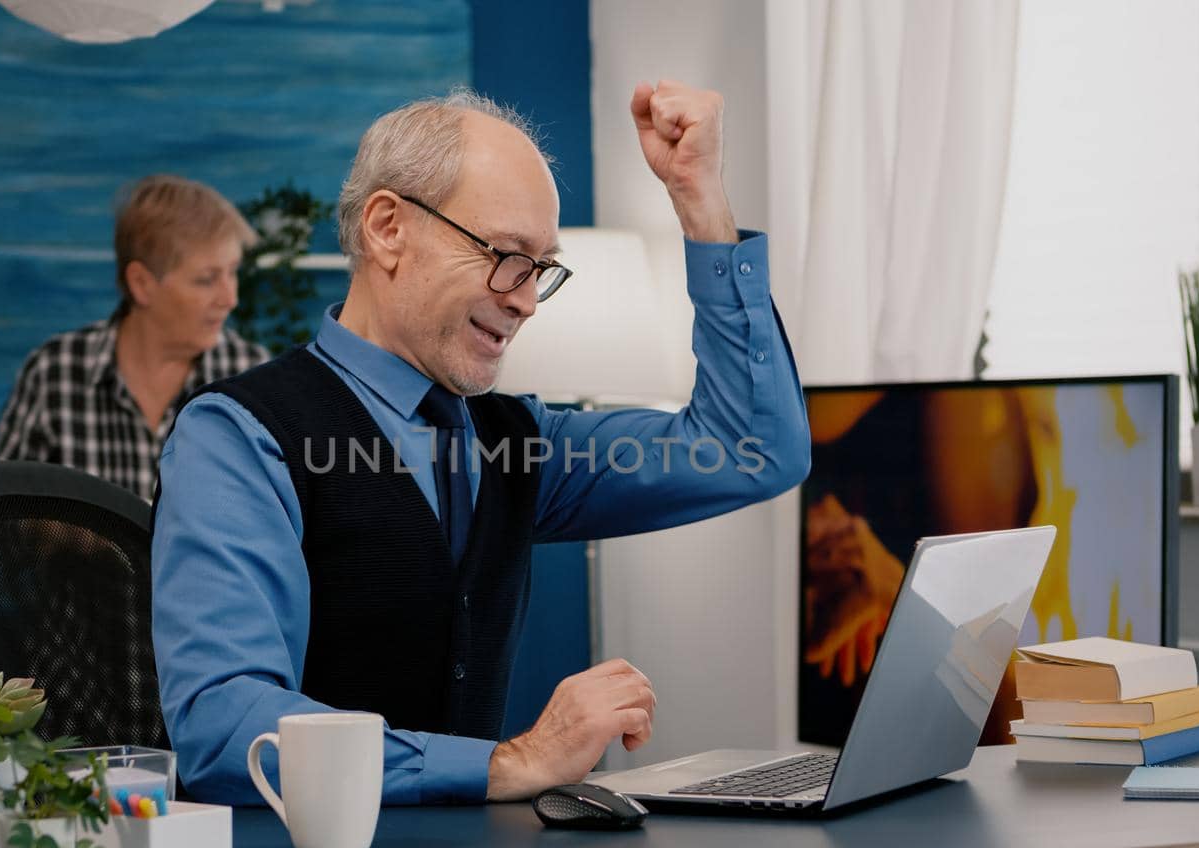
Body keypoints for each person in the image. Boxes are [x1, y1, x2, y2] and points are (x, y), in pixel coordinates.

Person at [152, 81, 811, 806]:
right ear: (387, 228)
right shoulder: (240, 438)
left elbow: (752, 449)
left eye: (540, 268)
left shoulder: (518, 446)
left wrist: (700, 201)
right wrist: (511, 763)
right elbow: (224, 730)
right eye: (506, 254)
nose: (526, 299)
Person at [0, 174, 271, 500]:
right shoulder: (54, 372)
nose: (230, 298)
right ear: (141, 283)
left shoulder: (253, 377)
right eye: (206, 280)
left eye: (233, 272)